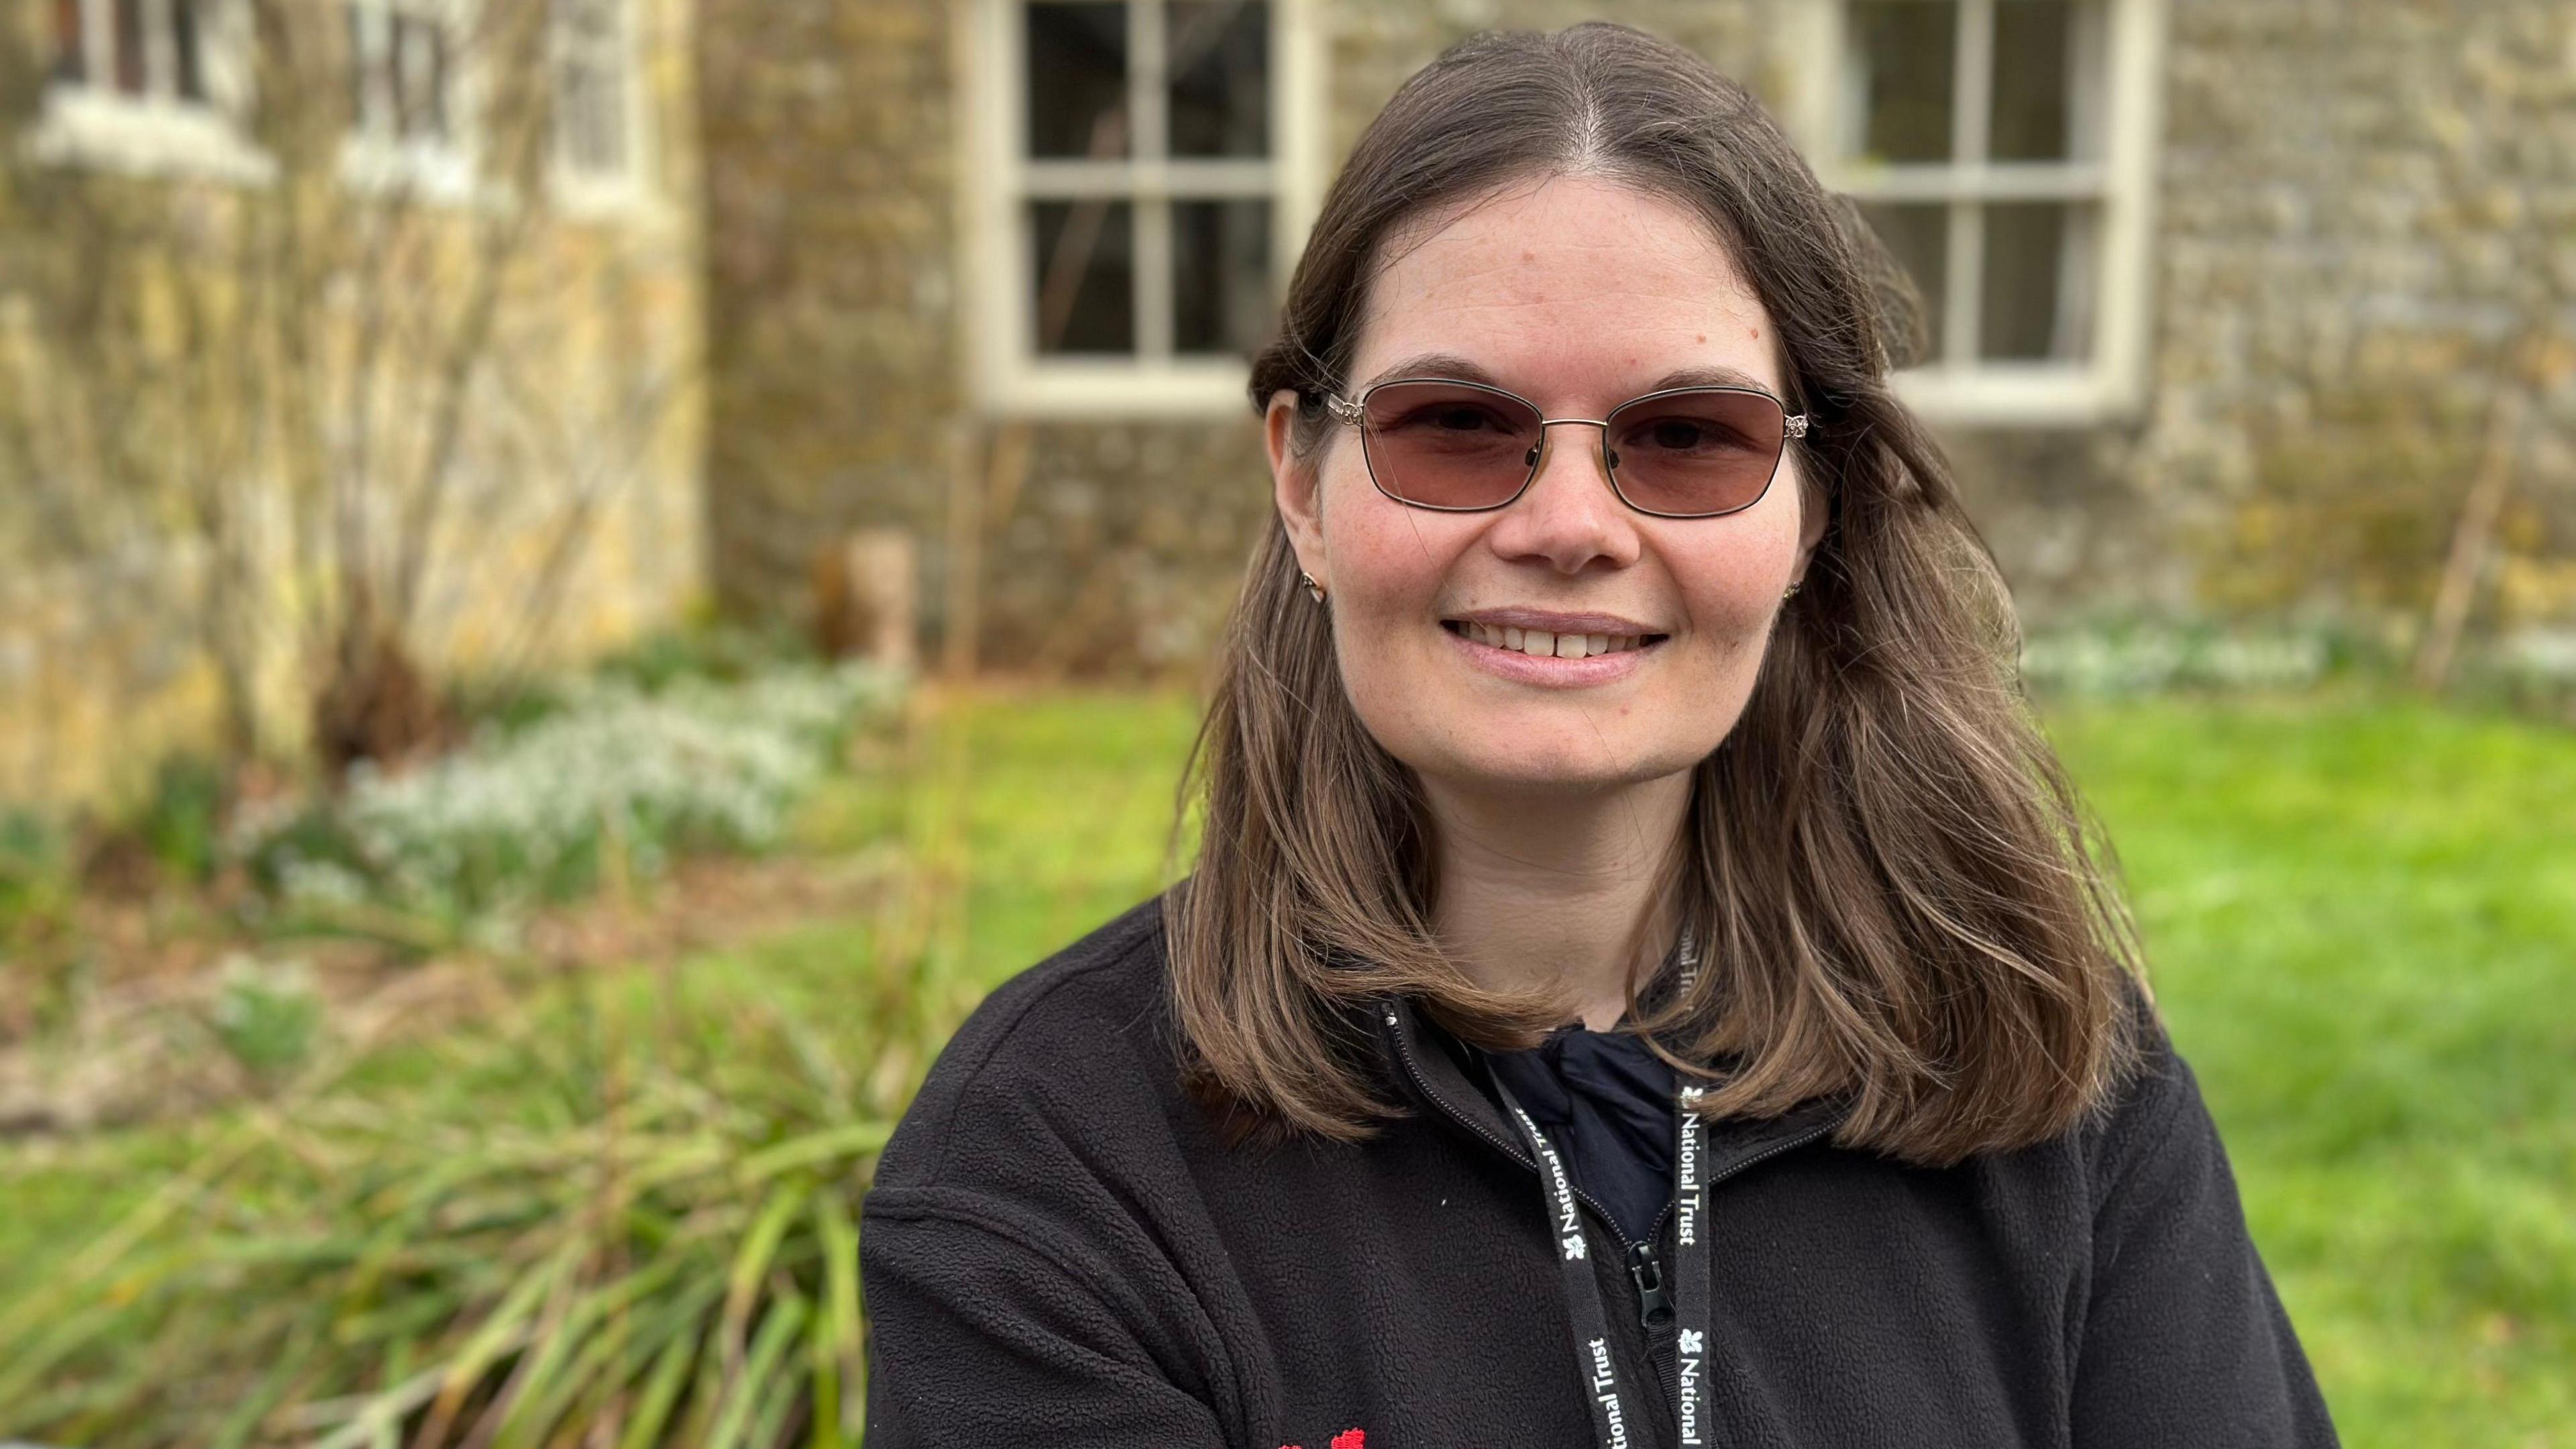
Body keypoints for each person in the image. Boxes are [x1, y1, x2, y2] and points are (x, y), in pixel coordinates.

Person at [860, 22, 2337, 1448]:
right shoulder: (1058, 1172)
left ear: (1812, 512)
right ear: (1304, 489)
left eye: (1689, 440)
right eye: (1455, 425)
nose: (1569, 527)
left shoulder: (2055, 1089)